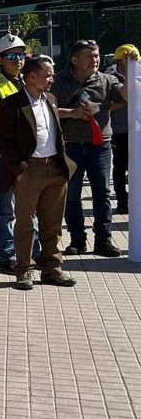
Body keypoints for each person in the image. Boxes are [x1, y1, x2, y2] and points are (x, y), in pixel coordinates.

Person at [0, 56, 78, 290]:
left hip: (55, 168)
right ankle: (24, 269)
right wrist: (20, 171)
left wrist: (63, 164)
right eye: (48, 75)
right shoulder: (12, 104)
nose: (52, 79)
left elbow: (56, 133)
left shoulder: (50, 99)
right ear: (32, 77)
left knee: (53, 223)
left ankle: (52, 268)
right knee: (25, 224)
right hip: (29, 170)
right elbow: (4, 142)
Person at [50, 39, 127, 257]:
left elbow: (127, 98)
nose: (95, 60)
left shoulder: (107, 80)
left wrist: (130, 71)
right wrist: (72, 113)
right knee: (71, 195)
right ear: (74, 60)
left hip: (100, 146)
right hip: (70, 145)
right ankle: (77, 240)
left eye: (96, 55)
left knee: (102, 194)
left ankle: (104, 241)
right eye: (89, 56)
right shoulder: (57, 81)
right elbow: (46, 108)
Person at [0, 34, 39, 274]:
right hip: (3, 158)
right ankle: (7, 256)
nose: (18, 59)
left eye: (21, 54)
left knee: (30, 207)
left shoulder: (30, 82)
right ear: (0, 60)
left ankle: (35, 253)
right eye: (11, 55)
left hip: (30, 156)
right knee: (5, 209)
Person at [108, 44, 139, 214]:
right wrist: (124, 103)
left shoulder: (138, 75)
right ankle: (122, 201)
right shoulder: (111, 78)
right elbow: (107, 106)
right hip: (119, 131)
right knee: (120, 166)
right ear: (120, 62)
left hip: (137, 130)